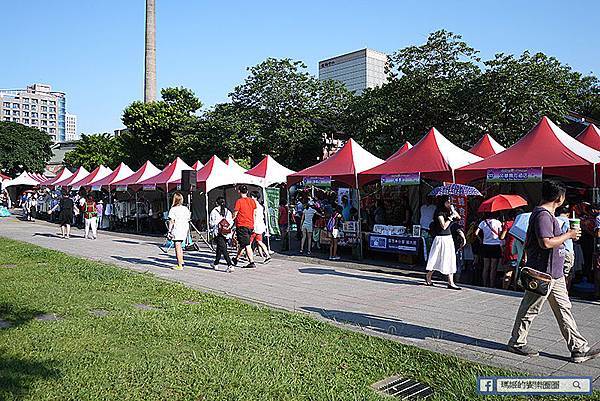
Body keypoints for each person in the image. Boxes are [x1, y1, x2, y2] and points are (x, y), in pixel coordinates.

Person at [507, 180, 599, 363]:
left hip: (553, 273)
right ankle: (516, 342)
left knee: (564, 309)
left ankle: (579, 348)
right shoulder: (543, 215)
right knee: (530, 309)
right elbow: (546, 242)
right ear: (559, 198)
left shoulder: (547, 214)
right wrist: (569, 235)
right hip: (542, 273)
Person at [424, 195, 462, 290]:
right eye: (448, 201)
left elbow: (459, 217)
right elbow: (444, 226)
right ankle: (428, 276)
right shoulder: (439, 212)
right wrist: (450, 217)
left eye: (451, 201)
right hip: (440, 239)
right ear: (443, 202)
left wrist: (453, 211)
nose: (450, 203)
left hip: (448, 238)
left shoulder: (450, 211)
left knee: (450, 259)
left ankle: (451, 282)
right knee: (436, 258)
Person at [476, 213, 503, 287]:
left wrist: (481, 239)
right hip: (495, 245)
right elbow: (500, 235)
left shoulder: (483, 222)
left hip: (486, 245)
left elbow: (476, 233)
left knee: (486, 266)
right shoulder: (498, 222)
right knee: (493, 267)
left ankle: (484, 283)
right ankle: (492, 284)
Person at [232, 185, 256, 269]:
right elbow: (254, 213)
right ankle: (236, 259)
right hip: (250, 225)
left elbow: (235, 213)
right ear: (247, 191)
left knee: (247, 244)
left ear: (239, 191)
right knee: (243, 243)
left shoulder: (239, 201)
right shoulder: (252, 201)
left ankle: (251, 261)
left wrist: (229, 221)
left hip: (242, 225)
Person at [209, 197, 234, 272]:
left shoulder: (214, 211)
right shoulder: (228, 211)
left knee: (223, 249)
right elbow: (231, 222)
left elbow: (211, 223)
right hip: (226, 232)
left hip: (218, 232)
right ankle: (216, 263)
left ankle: (230, 265)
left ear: (217, 203)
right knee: (220, 248)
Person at [167, 192, 191, 270]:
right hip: (184, 228)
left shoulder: (173, 209)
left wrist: (169, 231)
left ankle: (179, 264)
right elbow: (188, 218)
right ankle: (181, 260)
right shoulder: (185, 208)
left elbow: (171, 221)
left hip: (177, 228)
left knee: (177, 246)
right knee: (180, 245)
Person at [556, 206, 575, 289]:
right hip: (567, 250)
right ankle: (565, 291)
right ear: (568, 214)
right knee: (567, 273)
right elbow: (576, 237)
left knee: (557, 273)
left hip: (556, 250)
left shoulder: (554, 220)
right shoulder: (570, 222)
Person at [250, 191, 271, 263]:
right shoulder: (261, 206)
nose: (251, 198)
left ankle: (248, 257)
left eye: (252, 196)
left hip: (254, 226)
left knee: (248, 243)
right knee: (259, 242)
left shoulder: (253, 205)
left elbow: (253, 215)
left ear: (254, 197)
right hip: (260, 226)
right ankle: (268, 255)